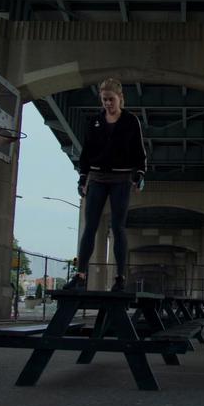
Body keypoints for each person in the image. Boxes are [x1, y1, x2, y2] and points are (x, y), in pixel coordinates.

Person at [63, 78, 146, 292]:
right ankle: (80, 275)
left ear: (120, 99)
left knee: (118, 227)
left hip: (121, 179)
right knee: (90, 226)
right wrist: (83, 179)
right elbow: (87, 153)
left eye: (111, 99)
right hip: (98, 178)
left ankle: (119, 278)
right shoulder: (95, 122)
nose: (108, 103)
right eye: (104, 100)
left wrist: (139, 174)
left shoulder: (130, 121)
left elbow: (139, 152)